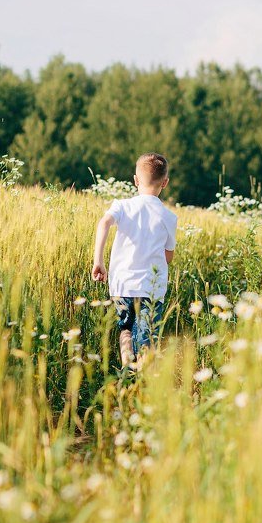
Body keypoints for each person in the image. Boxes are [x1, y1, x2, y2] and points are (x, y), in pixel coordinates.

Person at [91, 153, 178, 370]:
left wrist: (98, 260)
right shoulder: (168, 217)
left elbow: (103, 223)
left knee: (126, 329)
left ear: (136, 180)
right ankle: (144, 377)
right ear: (165, 182)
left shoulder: (122, 206)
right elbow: (168, 257)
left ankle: (127, 367)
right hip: (151, 288)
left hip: (122, 286)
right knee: (147, 337)